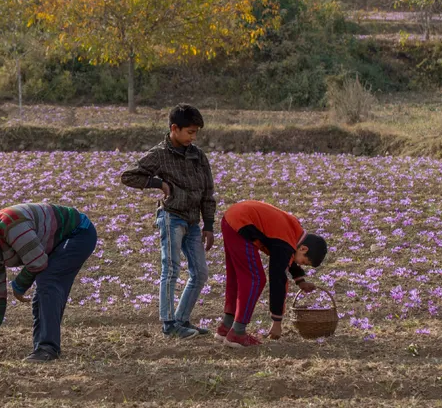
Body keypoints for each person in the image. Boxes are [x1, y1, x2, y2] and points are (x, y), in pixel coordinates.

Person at [0, 203, 97, 362]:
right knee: (42, 290)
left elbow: (38, 262)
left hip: (77, 233)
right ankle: (42, 347)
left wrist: (18, 285)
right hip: (51, 244)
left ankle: (47, 349)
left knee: (47, 282)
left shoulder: (11, 225)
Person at [121, 104, 216, 338]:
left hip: (193, 222)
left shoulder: (197, 155)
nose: (193, 137)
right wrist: (159, 184)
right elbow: (129, 176)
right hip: (171, 217)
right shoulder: (160, 154)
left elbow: (208, 191)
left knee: (200, 273)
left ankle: (182, 320)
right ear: (174, 128)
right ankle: (169, 323)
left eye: (195, 133)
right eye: (190, 132)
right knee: (171, 269)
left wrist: (210, 225)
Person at [217, 200, 328, 347]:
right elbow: (278, 280)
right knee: (255, 279)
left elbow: (289, 256)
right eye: (304, 262)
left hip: (231, 218)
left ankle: (226, 327)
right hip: (242, 223)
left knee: (236, 277)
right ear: (304, 249)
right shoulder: (285, 243)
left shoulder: (294, 232)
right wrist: (277, 321)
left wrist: (300, 280)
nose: (301, 264)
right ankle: (237, 332)